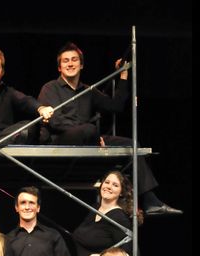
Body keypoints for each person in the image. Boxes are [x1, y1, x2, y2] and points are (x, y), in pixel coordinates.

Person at [37, 42, 182, 217]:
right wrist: (92, 133)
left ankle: (150, 201)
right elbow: (55, 122)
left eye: (74, 60)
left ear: (81, 65)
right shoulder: (50, 88)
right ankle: (92, 135)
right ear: (59, 67)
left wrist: (123, 76)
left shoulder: (88, 90)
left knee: (132, 144)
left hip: (90, 138)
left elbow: (116, 105)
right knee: (88, 130)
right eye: (65, 61)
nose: (70, 63)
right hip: (61, 140)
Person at [73, 170, 143, 256]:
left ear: (121, 192)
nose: (109, 186)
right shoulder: (95, 209)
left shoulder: (118, 217)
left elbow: (133, 254)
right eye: (107, 182)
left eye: (115, 185)